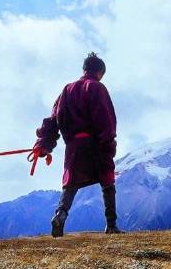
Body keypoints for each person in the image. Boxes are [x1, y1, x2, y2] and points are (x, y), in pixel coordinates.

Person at [33, 52, 122, 236]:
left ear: (84, 69)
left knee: (70, 184)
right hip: (96, 144)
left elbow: (52, 120)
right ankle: (111, 225)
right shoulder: (97, 88)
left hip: (73, 147)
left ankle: (60, 215)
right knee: (107, 182)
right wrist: (108, 145)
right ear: (100, 73)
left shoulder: (66, 90)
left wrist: (44, 144)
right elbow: (106, 120)